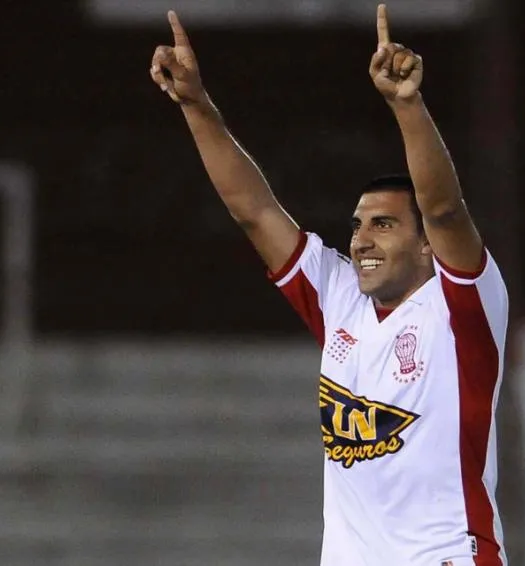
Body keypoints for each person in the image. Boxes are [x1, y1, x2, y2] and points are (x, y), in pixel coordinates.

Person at [151, 5, 507, 566]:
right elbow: (254, 211)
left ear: (425, 246)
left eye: (384, 225)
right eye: (357, 225)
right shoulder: (340, 297)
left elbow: (442, 208)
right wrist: (196, 104)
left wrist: (406, 105)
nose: (362, 239)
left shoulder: (463, 306)